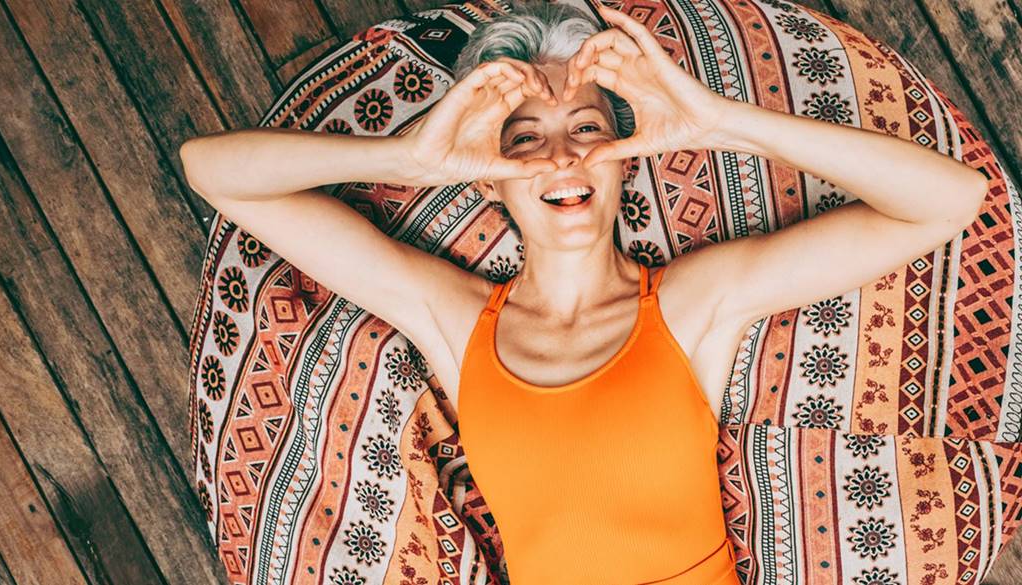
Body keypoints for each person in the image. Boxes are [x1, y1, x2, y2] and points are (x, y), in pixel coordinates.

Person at [179, 2, 987, 583]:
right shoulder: (453, 320)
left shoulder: (692, 305)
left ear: (626, 156)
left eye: (588, 129)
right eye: (525, 139)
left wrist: (716, 121)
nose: (562, 158)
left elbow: (947, 201)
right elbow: (212, 173)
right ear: (489, 176)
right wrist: (410, 158)